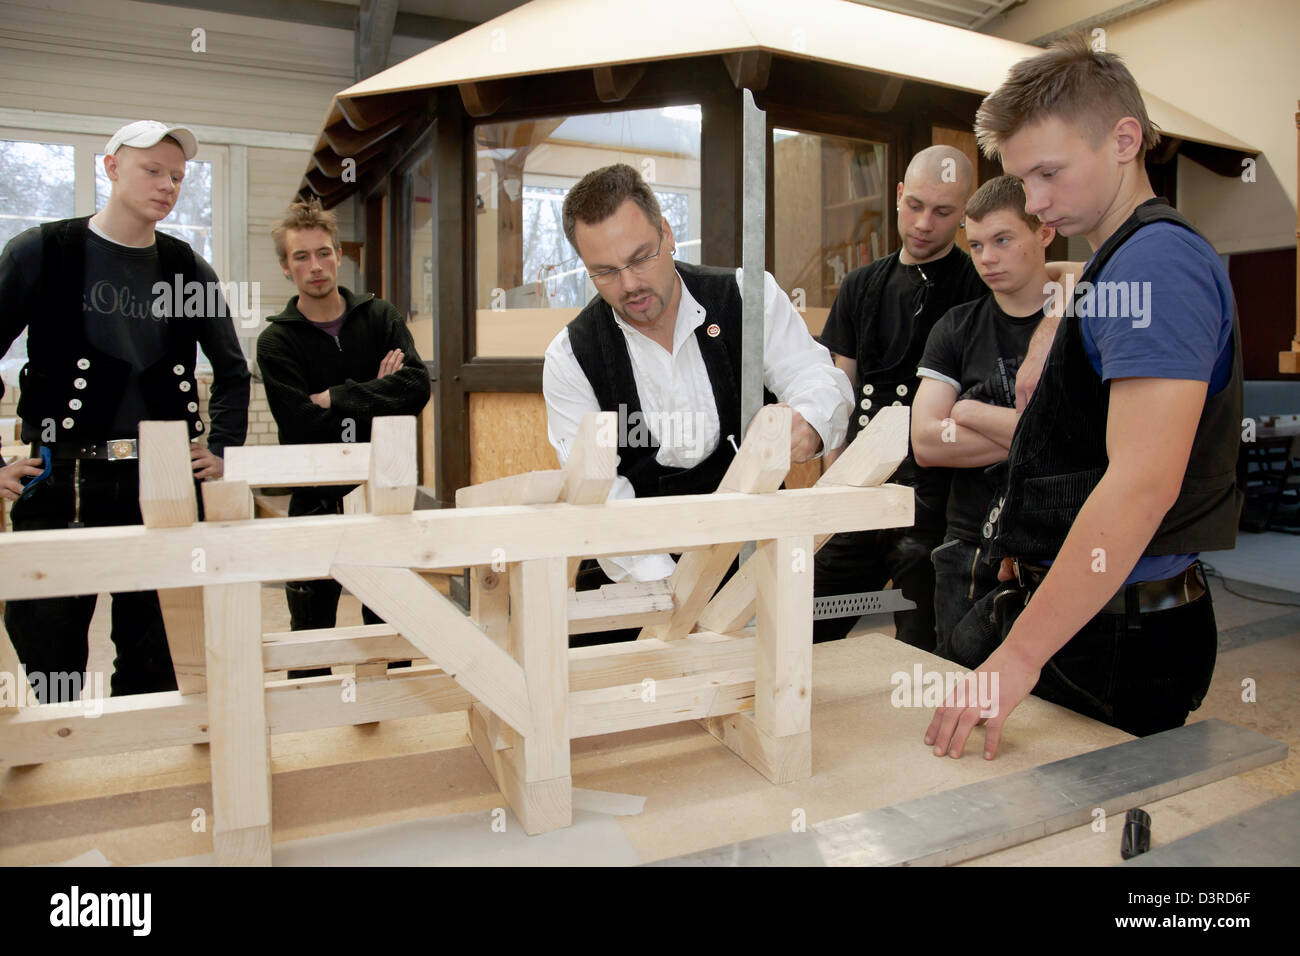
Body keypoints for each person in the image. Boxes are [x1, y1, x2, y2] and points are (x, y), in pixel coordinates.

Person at [926, 36, 1243, 760]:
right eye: (1021, 180)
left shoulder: (1157, 265)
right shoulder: (1119, 260)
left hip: (1120, 636)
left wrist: (1019, 655)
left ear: (1125, 139)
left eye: (1049, 173)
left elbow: (1141, 486)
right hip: (1089, 616)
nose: (1036, 203)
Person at [0, 120, 250, 701]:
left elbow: (233, 369)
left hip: (161, 481)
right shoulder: (43, 251)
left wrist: (221, 449)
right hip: (62, 477)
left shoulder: (188, 268)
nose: (168, 185)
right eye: (153, 170)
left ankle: (146, 768)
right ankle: (62, 758)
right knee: (50, 646)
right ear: (111, 167)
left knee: (157, 648)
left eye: (178, 177)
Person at [542, 162, 851, 616]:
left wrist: (808, 424)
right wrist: (675, 597)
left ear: (667, 234)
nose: (629, 285)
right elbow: (600, 496)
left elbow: (819, 378)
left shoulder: (748, 298)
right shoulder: (571, 357)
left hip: (753, 560)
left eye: (640, 257)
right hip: (638, 576)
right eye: (605, 272)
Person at [813, 145, 985, 649]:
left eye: (944, 212)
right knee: (805, 624)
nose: (925, 223)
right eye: (915, 205)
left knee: (925, 650)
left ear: (965, 214)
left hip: (941, 506)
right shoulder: (860, 284)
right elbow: (838, 392)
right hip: (865, 489)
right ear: (897, 195)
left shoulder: (979, 284)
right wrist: (834, 479)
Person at [257, 198, 430, 676]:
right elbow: (299, 425)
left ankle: (393, 719)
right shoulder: (276, 342)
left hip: (382, 494)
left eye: (323, 252)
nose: (315, 266)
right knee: (310, 633)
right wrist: (378, 392)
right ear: (285, 267)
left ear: (338, 255)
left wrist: (334, 396)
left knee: (390, 625)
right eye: (301, 257)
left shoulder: (379, 317)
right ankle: (311, 734)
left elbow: (415, 388)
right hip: (314, 498)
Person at [911, 175, 1052, 652]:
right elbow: (927, 442)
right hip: (967, 543)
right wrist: (1037, 435)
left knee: (1049, 706)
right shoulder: (956, 326)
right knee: (956, 681)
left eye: (1003, 240)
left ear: (1044, 233)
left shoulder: (1076, 324)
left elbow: (1095, 441)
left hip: (1055, 544)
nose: (986, 257)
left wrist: (970, 411)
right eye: (975, 244)